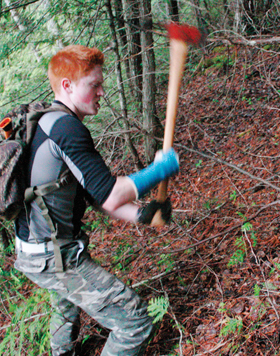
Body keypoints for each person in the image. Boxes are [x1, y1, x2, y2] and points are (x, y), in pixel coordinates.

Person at [14, 44, 178, 356]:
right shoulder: (65, 128)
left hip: (35, 251)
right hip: (52, 256)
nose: (102, 91)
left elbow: (98, 197)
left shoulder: (47, 123)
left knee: (65, 307)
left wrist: (146, 215)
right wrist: (157, 171)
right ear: (68, 86)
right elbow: (112, 192)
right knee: (135, 320)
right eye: (94, 84)